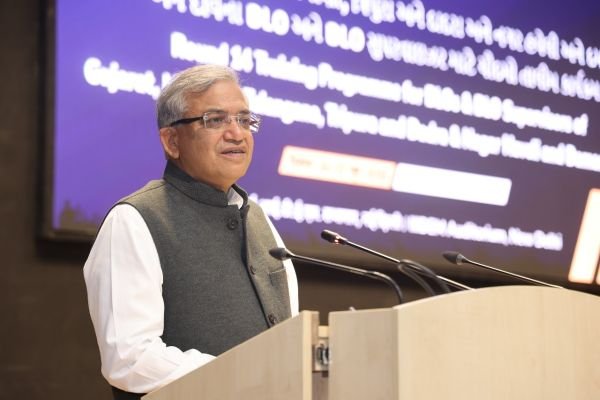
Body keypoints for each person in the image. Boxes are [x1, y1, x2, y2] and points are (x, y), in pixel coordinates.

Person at [83, 64, 299, 400]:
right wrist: (243, 374)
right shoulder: (134, 220)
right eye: (216, 120)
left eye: (244, 120)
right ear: (172, 141)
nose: (237, 133)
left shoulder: (260, 220)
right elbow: (129, 359)